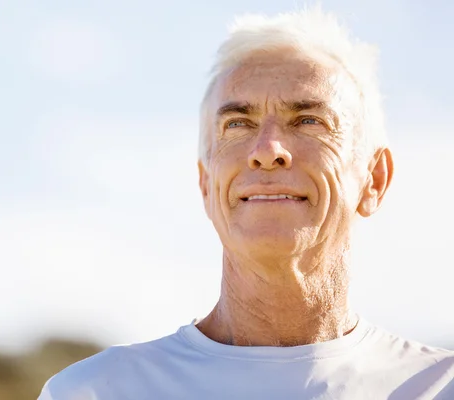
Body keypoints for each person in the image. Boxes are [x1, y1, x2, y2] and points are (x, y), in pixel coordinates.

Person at [38, 8, 454, 400]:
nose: (267, 149)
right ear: (206, 183)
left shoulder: (439, 386)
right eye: (237, 124)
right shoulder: (96, 392)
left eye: (308, 120)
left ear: (374, 179)